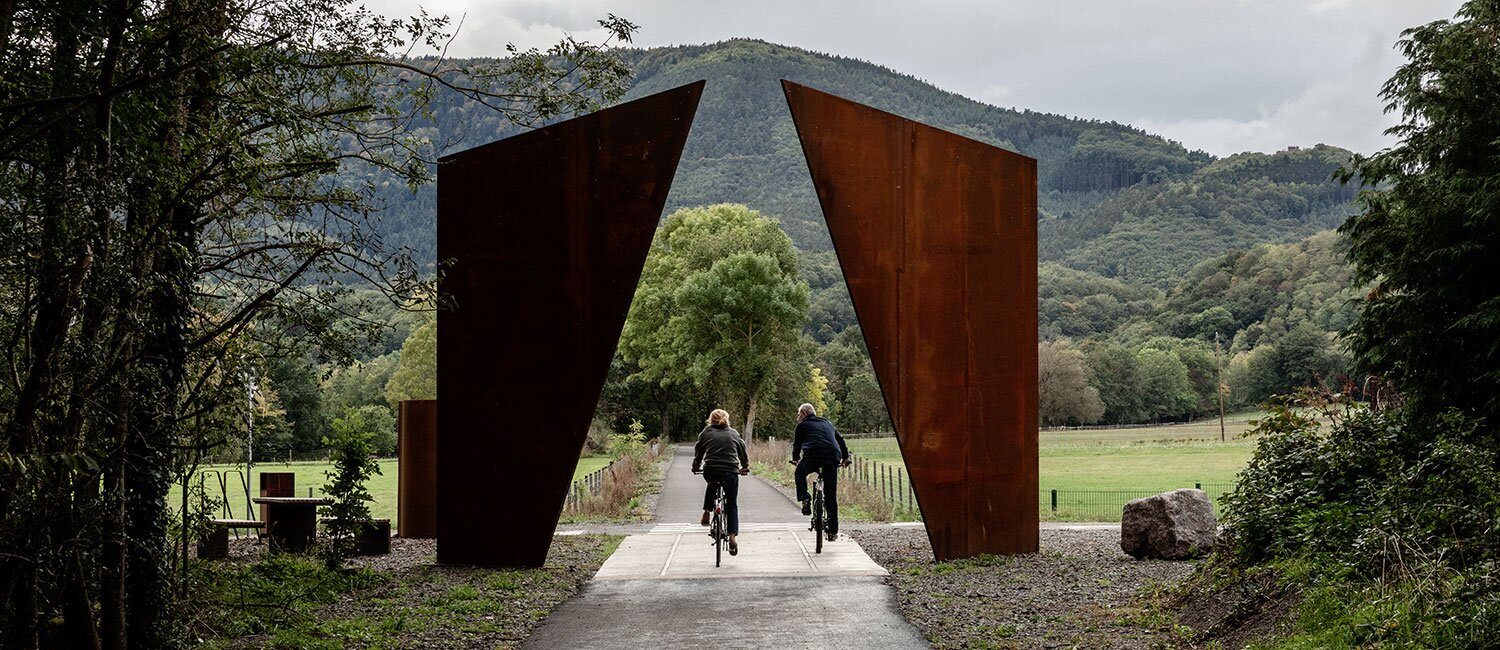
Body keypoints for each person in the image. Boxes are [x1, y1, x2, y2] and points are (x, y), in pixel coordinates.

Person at [692, 408, 750, 555]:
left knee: (711, 483)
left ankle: (707, 511)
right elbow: (742, 451)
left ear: (710, 420)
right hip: (731, 472)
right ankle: (732, 536)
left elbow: (699, 451)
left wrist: (695, 466)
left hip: (711, 470)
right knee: (731, 504)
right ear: (727, 420)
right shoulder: (734, 433)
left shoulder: (705, 433)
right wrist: (745, 467)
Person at [790, 403, 849, 541]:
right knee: (830, 496)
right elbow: (840, 440)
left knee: (799, 473)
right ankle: (833, 531)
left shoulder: (802, 426)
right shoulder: (827, 422)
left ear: (804, 414)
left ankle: (805, 498)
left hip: (812, 457)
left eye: (798, 414)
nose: (797, 417)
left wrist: (795, 459)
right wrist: (845, 457)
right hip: (831, 457)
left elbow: (797, 445)